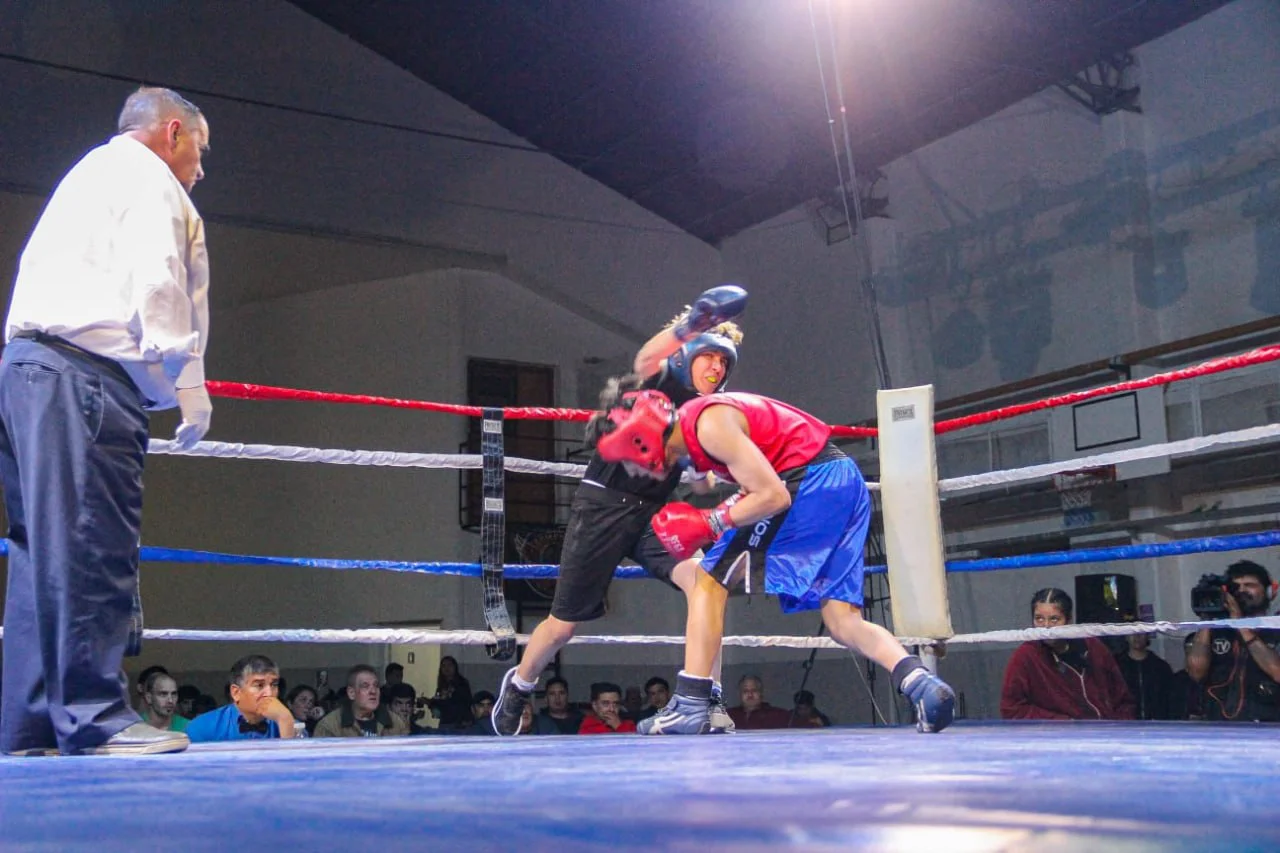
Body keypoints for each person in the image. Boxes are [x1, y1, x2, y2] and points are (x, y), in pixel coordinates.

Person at [0, 87, 212, 758]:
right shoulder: (148, 177)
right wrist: (184, 380)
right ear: (172, 133)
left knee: (41, 551)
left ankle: (29, 727)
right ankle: (96, 719)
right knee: (91, 542)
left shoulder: (87, 175)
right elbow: (159, 275)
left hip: (29, 370)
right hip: (84, 377)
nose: (199, 170)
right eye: (199, 151)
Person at [591, 387, 956, 735]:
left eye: (629, 458)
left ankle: (693, 703)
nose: (637, 471)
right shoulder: (698, 431)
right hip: (843, 482)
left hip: (807, 480)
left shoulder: (708, 426)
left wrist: (710, 522)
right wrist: (698, 481)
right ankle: (919, 683)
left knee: (708, 581)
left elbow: (774, 496)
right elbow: (722, 484)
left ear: (641, 440)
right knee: (842, 620)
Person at [492, 285, 748, 737]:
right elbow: (645, 358)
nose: (716, 367)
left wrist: (709, 470)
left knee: (707, 584)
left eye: (723, 363)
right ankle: (520, 684)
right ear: (691, 353)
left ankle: (706, 697)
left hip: (653, 514)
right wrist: (693, 323)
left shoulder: (710, 412)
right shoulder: (663, 380)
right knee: (563, 626)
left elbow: (702, 483)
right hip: (603, 506)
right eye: (709, 356)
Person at [1000, 588, 1136, 721]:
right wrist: (1064, 723)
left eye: (1054, 619)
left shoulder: (1093, 647)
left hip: (1106, 732)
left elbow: (1123, 699)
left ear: (1069, 620)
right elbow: (1011, 709)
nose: (1046, 626)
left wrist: (1118, 727)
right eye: (1039, 619)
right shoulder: (1025, 657)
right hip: (1059, 735)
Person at [1187, 561, 1280, 722]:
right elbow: (1196, 673)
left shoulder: (1275, 629)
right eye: (1236, 587)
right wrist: (1207, 618)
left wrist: (1241, 624)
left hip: (1267, 726)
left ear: (1269, 591)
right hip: (1219, 726)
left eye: (1249, 585)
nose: (1242, 590)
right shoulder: (1215, 629)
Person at [185, 656, 297, 743]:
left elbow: (297, 765)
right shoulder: (202, 727)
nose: (269, 693)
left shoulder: (287, 721)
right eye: (259, 685)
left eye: (274, 685)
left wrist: (285, 721)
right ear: (236, 693)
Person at [1114, 631, 1175, 720]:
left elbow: (1170, 701)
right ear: (1126, 636)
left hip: (1156, 724)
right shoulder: (1116, 665)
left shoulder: (1161, 667)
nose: (1137, 636)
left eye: (1141, 632)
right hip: (1124, 724)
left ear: (1148, 636)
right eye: (1132, 631)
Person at [427, 656, 473, 731]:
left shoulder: (462, 684)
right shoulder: (441, 686)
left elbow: (461, 704)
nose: (446, 668)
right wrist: (432, 704)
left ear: (455, 667)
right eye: (443, 666)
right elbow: (439, 702)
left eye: (449, 665)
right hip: (445, 722)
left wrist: (431, 702)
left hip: (459, 723)